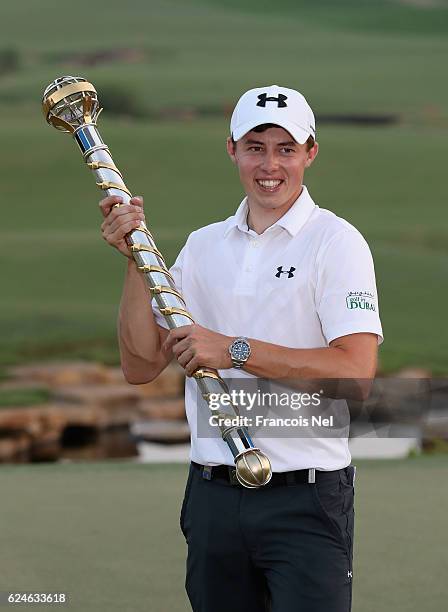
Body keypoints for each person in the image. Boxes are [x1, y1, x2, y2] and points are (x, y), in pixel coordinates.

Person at [99, 85, 383, 612]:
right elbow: (140, 366)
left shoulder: (336, 243)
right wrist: (134, 258)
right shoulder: (203, 246)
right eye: (255, 147)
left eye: (285, 148)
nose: (269, 164)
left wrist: (234, 351)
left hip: (307, 498)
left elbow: (356, 374)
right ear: (231, 149)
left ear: (310, 153)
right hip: (213, 496)